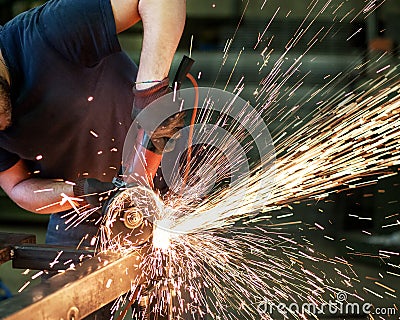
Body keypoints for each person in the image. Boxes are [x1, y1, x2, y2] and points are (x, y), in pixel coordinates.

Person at [0, 0, 186, 318]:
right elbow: (18, 185)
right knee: (63, 305)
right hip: (80, 215)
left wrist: (150, 95)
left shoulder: (51, 31)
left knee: (173, 303)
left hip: (168, 191)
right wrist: (80, 194)